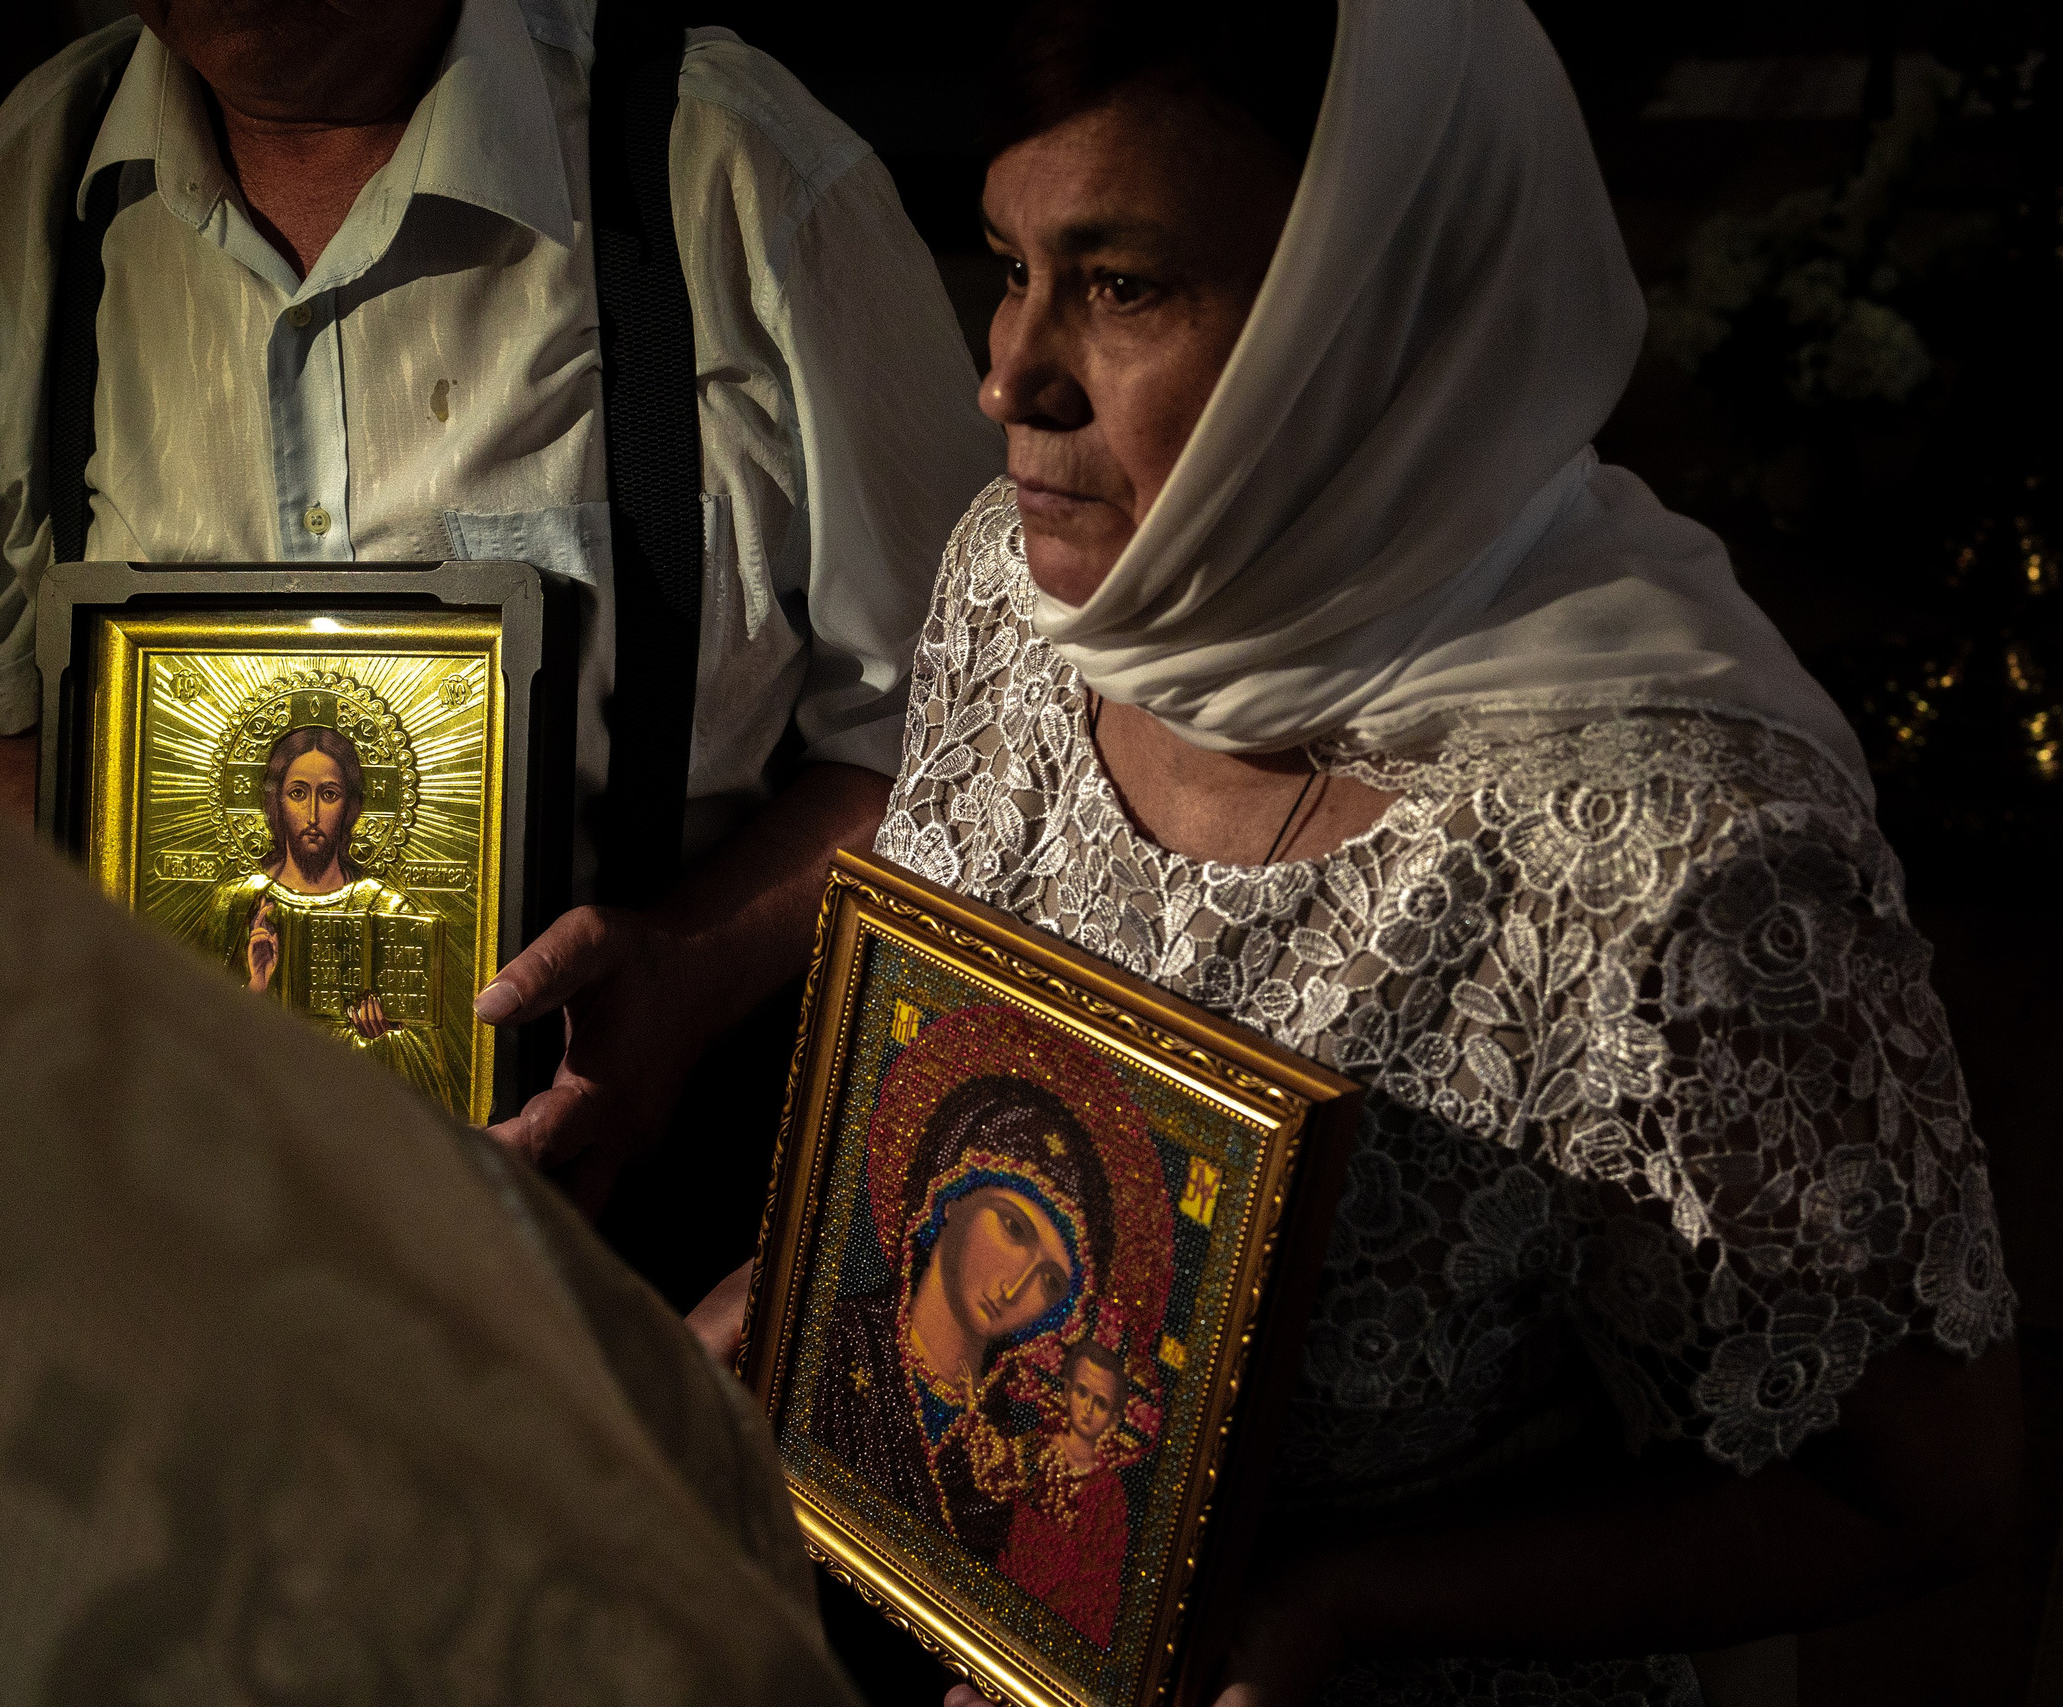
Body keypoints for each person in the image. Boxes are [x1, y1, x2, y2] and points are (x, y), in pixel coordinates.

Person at [848, 0, 2024, 1701]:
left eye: (1122, 284)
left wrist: (1329, 1608)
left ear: (1369, 311)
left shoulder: (1676, 856)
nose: (1006, 370)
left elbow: (1921, 1489)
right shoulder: (1027, 598)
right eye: (1010, 263)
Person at [0, 526, 862, 1706]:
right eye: (297, 787)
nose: (317, 807)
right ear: (270, 796)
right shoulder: (205, 925)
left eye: (338, 789)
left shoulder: (382, 915)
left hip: (526, 1191)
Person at [0, 0, 1003, 1222]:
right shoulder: (42, 170)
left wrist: (696, 964)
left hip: (652, 1215)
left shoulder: (736, 168)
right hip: (192, 1214)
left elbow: (960, 737)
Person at [810, 1067, 1117, 1562]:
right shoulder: (839, 1340)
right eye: (1014, 1229)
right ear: (951, 1196)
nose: (1017, 1288)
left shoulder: (1008, 1439)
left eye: (1051, 1281)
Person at [199, 722, 461, 1105]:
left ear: (352, 807)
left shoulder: (387, 910)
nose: (312, 813)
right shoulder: (236, 906)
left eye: (330, 794)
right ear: (276, 803)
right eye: (298, 793)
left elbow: (436, 1072)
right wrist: (256, 988)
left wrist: (381, 1036)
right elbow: (190, 1043)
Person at [994, 1339, 1134, 1649]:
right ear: (1067, 1390)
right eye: (1082, 1392)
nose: (1086, 1409)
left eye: (1100, 1403)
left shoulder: (1109, 1493)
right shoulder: (1037, 1448)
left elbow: (1102, 1581)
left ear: (1114, 1418)